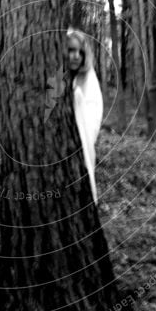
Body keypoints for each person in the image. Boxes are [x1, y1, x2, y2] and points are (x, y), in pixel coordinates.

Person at [67, 29, 103, 204]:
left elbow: (93, 114)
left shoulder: (88, 79)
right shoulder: (58, 76)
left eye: (80, 52)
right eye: (71, 50)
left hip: (82, 140)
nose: (76, 56)